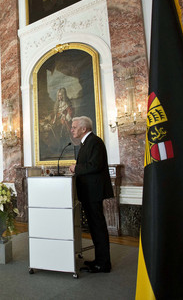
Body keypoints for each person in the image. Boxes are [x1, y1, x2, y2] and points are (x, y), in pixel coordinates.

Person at [68, 116, 114, 273]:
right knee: (95, 227)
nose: (71, 129)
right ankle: (99, 260)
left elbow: (94, 165)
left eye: (74, 127)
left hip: (94, 192)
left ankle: (103, 264)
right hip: (88, 193)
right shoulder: (86, 142)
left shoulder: (95, 142)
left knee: (98, 227)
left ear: (83, 129)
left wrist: (76, 168)